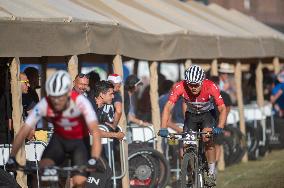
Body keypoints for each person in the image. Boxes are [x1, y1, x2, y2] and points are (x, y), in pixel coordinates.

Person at [6, 70, 103, 188]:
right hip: (59, 140)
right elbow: (23, 131)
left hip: (78, 141)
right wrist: (12, 156)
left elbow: (95, 131)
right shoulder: (46, 102)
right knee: (44, 172)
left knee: (78, 181)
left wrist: (95, 158)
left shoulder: (81, 101)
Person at [159, 65, 227, 186]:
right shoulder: (180, 86)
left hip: (207, 115)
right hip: (191, 115)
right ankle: (190, 172)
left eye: (196, 85)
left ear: (202, 82)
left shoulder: (211, 86)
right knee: (187, 145)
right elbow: (168, 107)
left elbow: (222, 108)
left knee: (207, 138)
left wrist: (220, 126)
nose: (193, 88)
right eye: (190, 84)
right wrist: (163, 127)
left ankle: (211, 173)